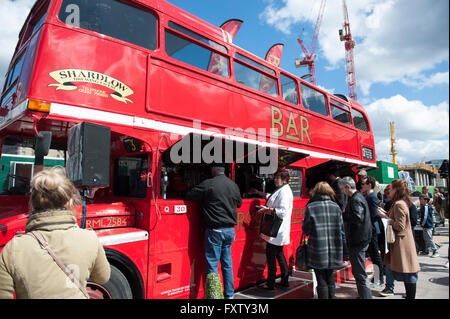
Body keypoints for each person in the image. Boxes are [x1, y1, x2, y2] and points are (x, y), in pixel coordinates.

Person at [0, 167, 110, 299]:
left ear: (33, 202)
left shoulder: (13, 248)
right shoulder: (89, 238)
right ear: (69, 201)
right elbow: (103, 277)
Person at [185, 164, 242, 299]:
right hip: (230, 231)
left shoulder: (209, 184)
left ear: (214, 170)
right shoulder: (233, 185)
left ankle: (213, 297)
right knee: (227, 264)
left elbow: (189, 195)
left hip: (215, 231)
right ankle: (229, 296)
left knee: (212, 266)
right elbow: (239, 204)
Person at [377, 179, 420, 299]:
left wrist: (385, 218)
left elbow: (400, 226)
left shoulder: (399, 204)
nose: (388, 191)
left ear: (396, 190)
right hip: (401, 243)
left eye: (390, 188)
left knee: (409, 272)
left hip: (402, 244)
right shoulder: (398, 203)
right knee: (407, 272)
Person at [253, 168, 293, 290]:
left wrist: (267, 209)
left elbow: (283, 211)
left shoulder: (285, 192)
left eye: (278, 178)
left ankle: (270, 283)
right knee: (279, 254)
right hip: (278, 231)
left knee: (271, 256)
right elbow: (272, 197)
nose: (275, 180)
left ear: (284, 180)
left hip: (276, 230)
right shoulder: (283, 189)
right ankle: (285, 280)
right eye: (275, 178)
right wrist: (259, 193)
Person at [302, 182, 343, 299]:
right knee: (330, 276)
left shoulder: (311, 207)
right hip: (334, 248)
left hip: (318, 248)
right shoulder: (336, 207)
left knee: (320, 278)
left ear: (316, 191)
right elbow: (340, 226)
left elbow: (306, 230)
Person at [338, 176, 373, 299]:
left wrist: (343, 215)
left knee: (359, 273)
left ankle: (365, 296)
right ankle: (363, 294)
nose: (342, 191)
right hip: (361, 238)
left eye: (342, 188)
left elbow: (358, 217)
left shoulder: (355, 199)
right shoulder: (358, 197)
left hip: (358, 239)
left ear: (348, 187)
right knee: (359, 272)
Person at [361, 176, 384, 288]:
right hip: (370, 228)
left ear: (369, 185)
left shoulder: (371, 197)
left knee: (375, 255)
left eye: (364, 184)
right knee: (373, 254)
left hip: (372, 229)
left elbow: (374, 214)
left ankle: (379, 278)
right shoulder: (368, 196)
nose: (362, 185)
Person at [327, 167, 350, 260]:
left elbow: (340, 197)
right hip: (340, 209)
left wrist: (340, 208)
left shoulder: (337, 183)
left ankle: (345, 255)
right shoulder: (341, 182)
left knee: (340, 233)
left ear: (332, 175)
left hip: (338, 211)